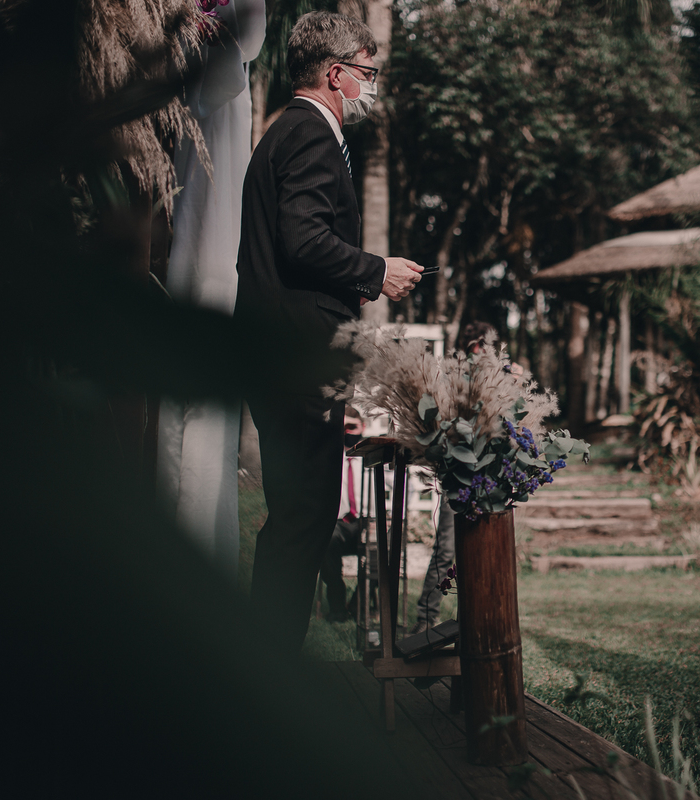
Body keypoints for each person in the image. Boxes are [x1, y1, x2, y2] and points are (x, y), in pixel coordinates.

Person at [236, 11, 424, 654]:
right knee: (304, 518)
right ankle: (271, 673)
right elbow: (303, 239)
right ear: (336, 74)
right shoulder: (311, 136)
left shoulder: (282, 133)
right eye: (367, 75)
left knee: (297, 516)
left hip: (276, 350)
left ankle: (267, 663)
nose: (370, 88)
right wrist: (377, 270)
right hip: (298, 356)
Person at [412, 321, 497, 634]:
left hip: (488, 476)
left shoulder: (498, 378)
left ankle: (476, 623)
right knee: (447, 548)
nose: (486, 352)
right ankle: (424, 620)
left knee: (483, 549)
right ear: (474, 346)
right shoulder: (454, 379)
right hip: (457, 474)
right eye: (482, 346)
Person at [319, 407, 366, 623]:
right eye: (343, 427)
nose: (347, 431)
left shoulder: (371, 457)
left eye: (352, 427)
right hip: (336, 523)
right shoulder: (328, 458)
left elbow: (404, 488)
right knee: (325, 541)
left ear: (362, 427)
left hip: (367, 523)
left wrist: (391, 517)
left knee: (381, 552)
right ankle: (337, 605)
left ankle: (357, 604)